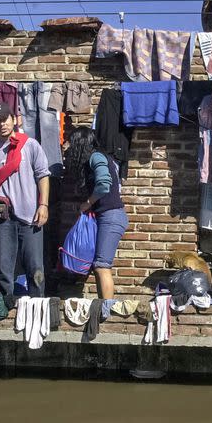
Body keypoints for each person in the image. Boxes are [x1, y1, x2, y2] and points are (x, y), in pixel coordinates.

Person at [0, 102, 50, 299]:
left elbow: (43, 176)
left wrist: (43, 205)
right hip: (2, 217)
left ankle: (37, 306)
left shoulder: (30, 145)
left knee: (35, 266)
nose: (1, 124)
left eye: (5, 118)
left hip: (31, 215)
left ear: (14, 120)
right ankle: (7, 306)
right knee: (4, 267)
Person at [67, 127, 128, 299]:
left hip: (111, 216)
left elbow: (103, 184)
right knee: (98, 266)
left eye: (72, 143)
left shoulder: (96, 157)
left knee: (102, 265)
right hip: (107, 216)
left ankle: (106, 312)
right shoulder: (96, 158)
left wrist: (88, 203)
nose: (68, 147)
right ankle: (102, 308)